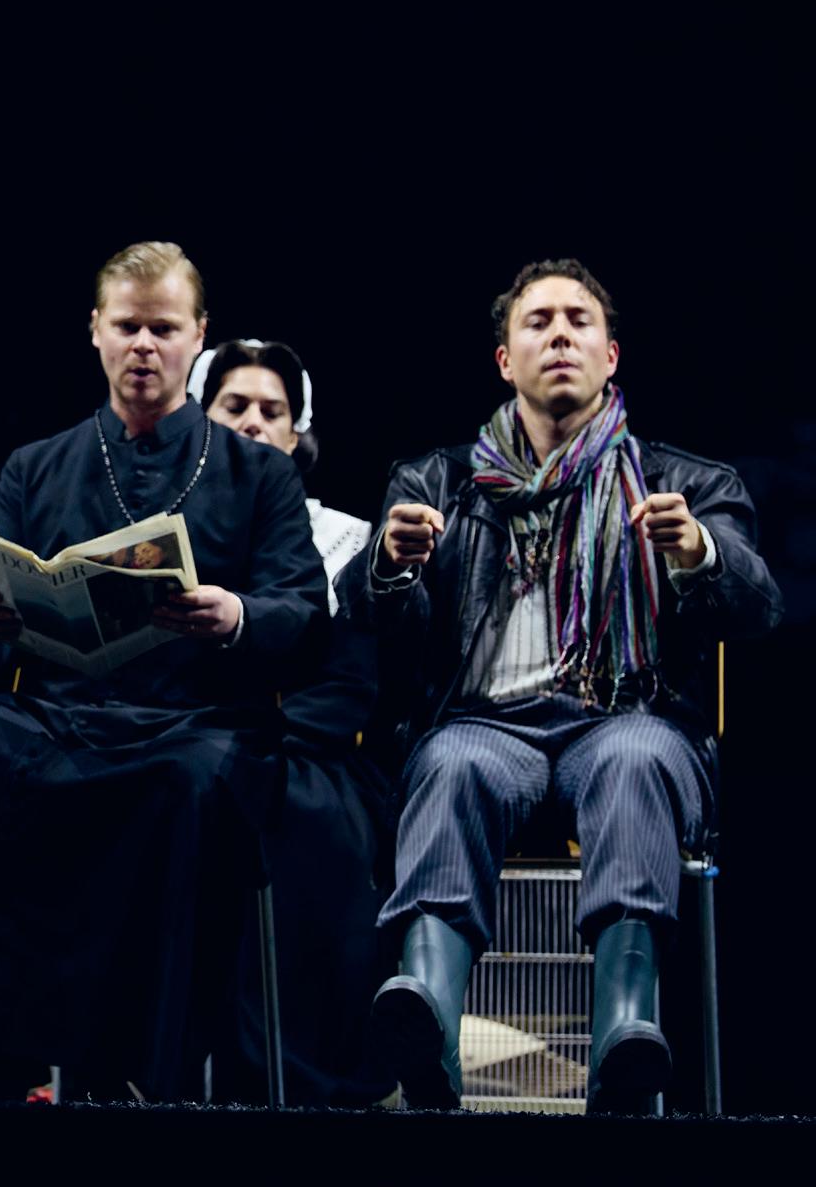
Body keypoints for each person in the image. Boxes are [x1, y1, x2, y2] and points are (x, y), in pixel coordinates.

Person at [0, 243, 328, 1101]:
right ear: (95, 331)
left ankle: (148, 1079)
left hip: (197, 724)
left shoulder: (258, 473)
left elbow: (306, 616)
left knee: (190, 785)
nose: (144, 345)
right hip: (61, 717)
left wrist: (237, 615)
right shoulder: (35, 465)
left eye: (164, 328)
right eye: (127, 326)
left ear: (199, 336)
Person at [335, 258, 783, 1113]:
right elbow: (369, 616)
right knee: (450, 766)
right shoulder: (436, 482)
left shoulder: (686, 482)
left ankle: (625, 1029)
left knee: (634, 762)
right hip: (485, 726)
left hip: (626, 716)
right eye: (538, 322)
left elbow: (760, 608)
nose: (561, 335)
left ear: (611, 356)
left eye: (579, 320)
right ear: (505, 360)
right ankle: (427, 1015)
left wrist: (699, 553)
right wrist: (388, 565)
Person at [188, 339, 394, 1105]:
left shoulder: (345, 539)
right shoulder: (160, 531)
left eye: (271, 410)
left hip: (307, 752)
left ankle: (295, 1082)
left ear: (296, 432)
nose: (252, 422)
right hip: (183, 741)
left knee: (298, 816)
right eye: (233, 406)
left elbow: (350, 685)